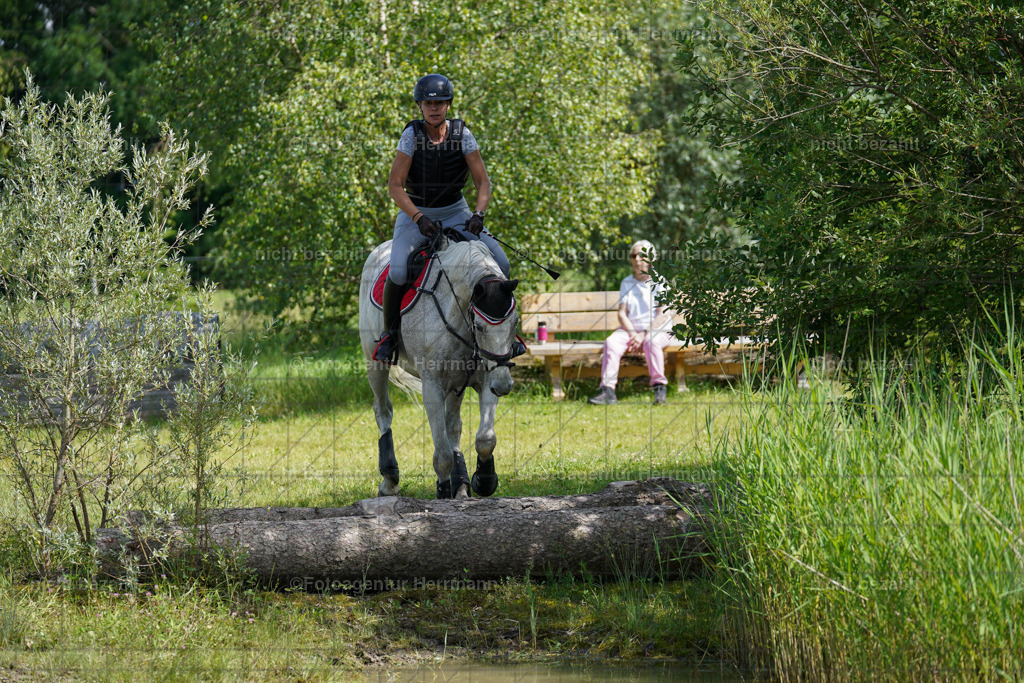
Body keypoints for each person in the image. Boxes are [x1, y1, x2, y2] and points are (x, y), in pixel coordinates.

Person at [373, 73, 523, 364]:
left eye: (440, 103)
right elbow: (394, 186)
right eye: (428, 103)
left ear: (448, 105)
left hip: (456, 211)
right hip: (415, 213)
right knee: (400, 271)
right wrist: (417, 217)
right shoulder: (410, 136)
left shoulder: (463, 135)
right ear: (419, 106)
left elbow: (483, 182)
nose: (434, 108)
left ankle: (510, 335)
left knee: (502, 264)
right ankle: (389, 336)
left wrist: (478, 214)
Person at [588, 240, 677, 406]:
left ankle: (659, 387)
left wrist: (644, 333)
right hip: (632, 331)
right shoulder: (626, 282)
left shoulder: (660, 282)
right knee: (611, 342)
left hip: (658, 330)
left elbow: (662, 314)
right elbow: (622, 314)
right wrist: (634, 334)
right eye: (633, 255)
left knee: (651, 341)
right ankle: (608, 390)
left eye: (642, 255)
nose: (637, 259)